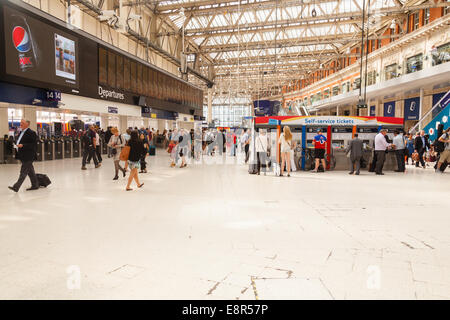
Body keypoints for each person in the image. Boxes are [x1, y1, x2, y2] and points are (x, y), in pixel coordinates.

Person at [8, 119, 39, 192]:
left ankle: (16, 187)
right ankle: (35, 185)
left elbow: (33, 145)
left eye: (22, 123)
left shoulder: (32, 133)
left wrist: (23, 145)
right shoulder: (21, 132)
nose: (20, 124)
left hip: (29, 156)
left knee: (23, 172)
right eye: (20, 122)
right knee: (30, 171)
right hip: (23, 155)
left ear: (27, 124)